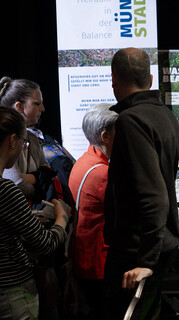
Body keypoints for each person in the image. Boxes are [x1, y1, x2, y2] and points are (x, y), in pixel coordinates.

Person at [102, 47, 179, 319]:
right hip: (153, 246)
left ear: (114, 80)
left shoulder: (131, 120)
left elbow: (154, 196)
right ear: (149, 79)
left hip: (136, 255)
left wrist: (145, 261)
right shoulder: (166, 115)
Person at [0, 105, 71, 319]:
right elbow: (45, 244)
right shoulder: (5, 190)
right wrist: (62, 218)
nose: (24, 147)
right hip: (13, 294)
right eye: (24, 143)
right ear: (12, 140)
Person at [68, 103, 117, 319]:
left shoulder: (84, 160)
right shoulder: (103, 173)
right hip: (98, 262)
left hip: (83, 256)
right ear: (106, 137)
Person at [0, 76, 49, 201]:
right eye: (37, 104)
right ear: (19, 107)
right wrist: (39, 182)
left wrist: (28, 177)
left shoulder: (32, 138)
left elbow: (48, 173)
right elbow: (17, 185)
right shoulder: (4, 139)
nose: (42, 108)